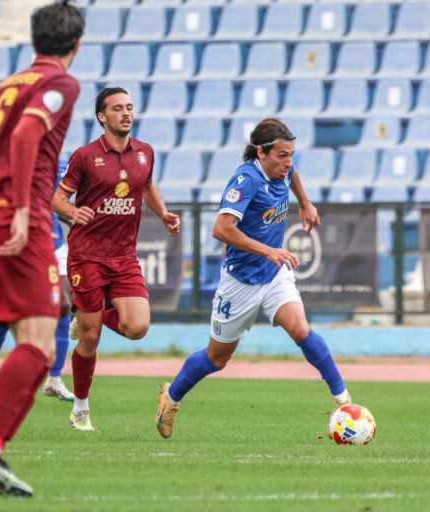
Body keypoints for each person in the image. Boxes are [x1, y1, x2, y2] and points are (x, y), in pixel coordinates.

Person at [154, 118, 352, 439]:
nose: (288, 163)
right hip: (240, 282)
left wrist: (305, 203)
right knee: (216, 359)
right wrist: (268, 250)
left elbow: (292, 175)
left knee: (300, 329)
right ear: (261, 153)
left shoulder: (283, 171)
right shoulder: (246, 180)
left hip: (273, 276)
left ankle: (342, 399)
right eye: (282, 156)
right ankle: (171, 397)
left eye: (291, 155)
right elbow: (221, 229)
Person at [0, 0, 84, 497]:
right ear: (76, 45)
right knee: (37, 345)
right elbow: (30, 131)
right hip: (22, 226)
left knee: (39, 343)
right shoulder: (61, 84)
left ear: (34, 40)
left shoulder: (0, 90)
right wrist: (23, 210)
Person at [52, 87, 180, 431]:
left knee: (137, 328)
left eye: (130, 107)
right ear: (102, 116)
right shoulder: (84, 156)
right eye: (118, 108)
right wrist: (72, 212)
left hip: (123, 255)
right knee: (90, 338)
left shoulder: (145, 153)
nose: (126, 113)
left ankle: (86, 313)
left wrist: (164, 214)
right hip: (87, 256)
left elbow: (147, 185)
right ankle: (80, 408)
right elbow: (57, 199)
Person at [0, 160, 76, 402]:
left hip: (53, 245)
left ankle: (54, 378)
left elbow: (64, 200)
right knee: (10, 310)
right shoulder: (14, 165)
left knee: (64, 305)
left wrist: (74, 216)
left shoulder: (62, 165)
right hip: (23, 244)